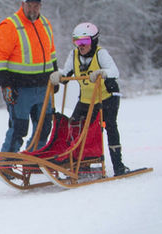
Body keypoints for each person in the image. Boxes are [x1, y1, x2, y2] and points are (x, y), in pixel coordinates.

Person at [50, 22, 129, 176]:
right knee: (74, 127)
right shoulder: (73, 55)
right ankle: (82, 165)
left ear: (93, 41)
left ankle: (118, 165)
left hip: (106, 97)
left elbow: (115, 71)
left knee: (110, 127)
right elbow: (66, 74)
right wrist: (58, 75)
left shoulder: (101, 54)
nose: (81, 45)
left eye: (84, 41)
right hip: (86, 100)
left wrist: (102, 72)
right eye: (77, 41)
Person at [0, 0, 58, 153]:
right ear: (23, 4)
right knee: (19, 128)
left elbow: (51, 53)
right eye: (30, 5)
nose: (33, 9)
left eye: (36, 5)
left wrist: (55, 75)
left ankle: (34, 158)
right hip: (20, 89)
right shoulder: (10, 26)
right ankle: (6, 161)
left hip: (43, 87)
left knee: (44, 126)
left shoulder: (45, 24)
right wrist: (6, 85)